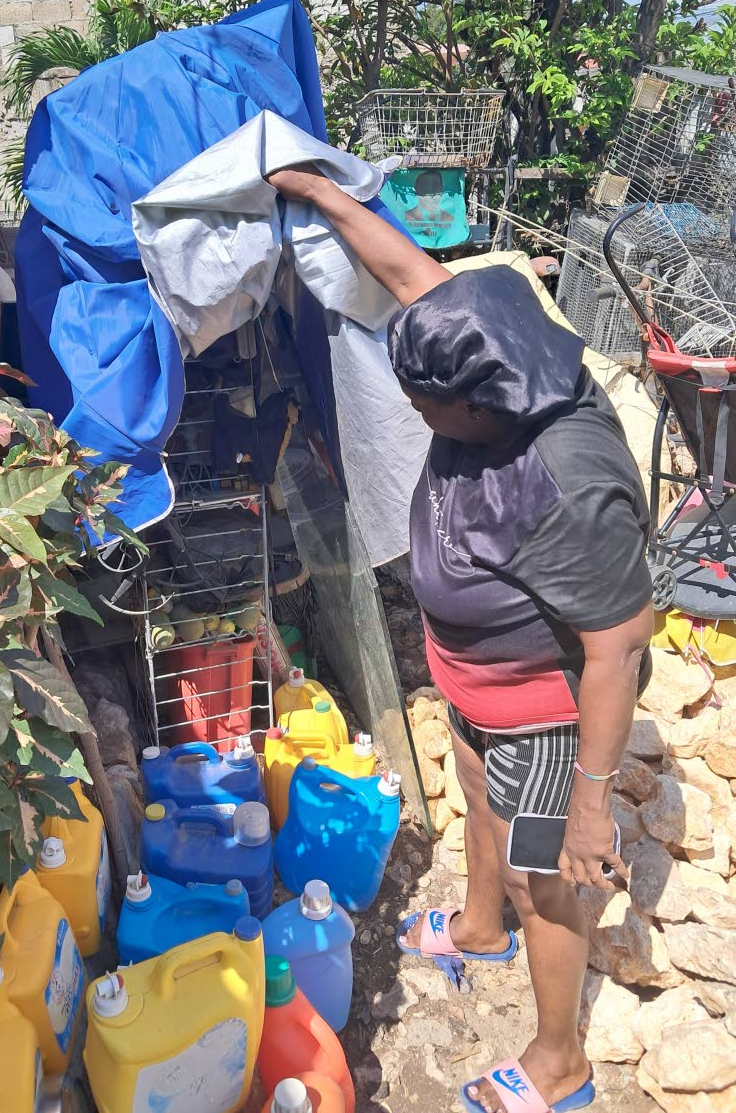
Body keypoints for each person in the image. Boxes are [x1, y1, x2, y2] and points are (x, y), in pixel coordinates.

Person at [267, 165, 654, 1113]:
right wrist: (318, 196)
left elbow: (618, 648)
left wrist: (594, 806)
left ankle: (559, 1060)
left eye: (427, 409)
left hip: (545, 719)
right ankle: (481, 929)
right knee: (479, 801)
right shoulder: (493, 344)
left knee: (545, 873)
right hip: (477, 684)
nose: (415, 415)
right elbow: (413, 281)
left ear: (485, 408)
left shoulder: (571, 482)